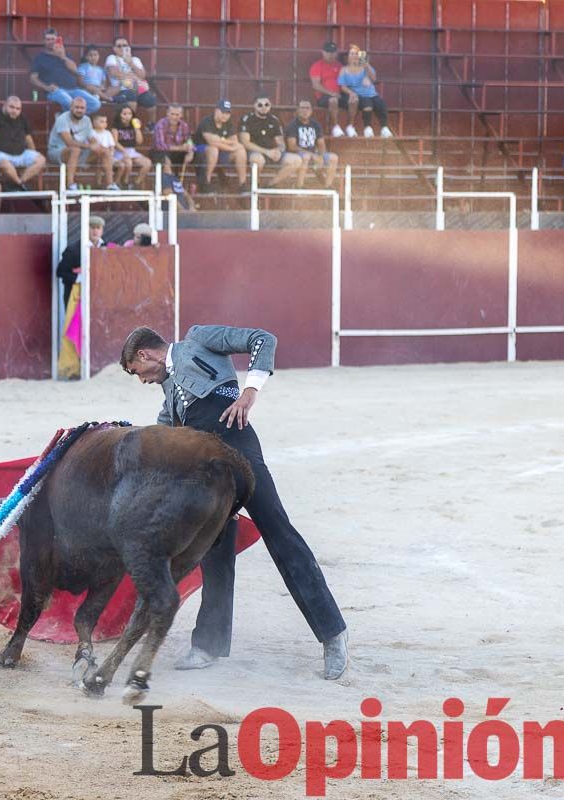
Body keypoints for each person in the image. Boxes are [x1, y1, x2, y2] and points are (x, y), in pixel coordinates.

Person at [119, 325, 349, 680]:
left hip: (237, 448)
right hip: (205, 469)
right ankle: (210, 643)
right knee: (213, 548)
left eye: (138, 372)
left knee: (279, 533)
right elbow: (164, 428)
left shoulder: (198, 340)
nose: (142, 380)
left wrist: (249, 393)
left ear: (144, 355)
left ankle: (333, 634)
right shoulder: (168, 387)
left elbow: (263, 339)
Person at [30, 28, 102, 113]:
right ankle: (74, 119)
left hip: (74, 89)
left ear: (57, 40)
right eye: (48, 39)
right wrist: (47, 88)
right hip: (56, 91)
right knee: (71, 103)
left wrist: (63, 57)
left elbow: (75, 71)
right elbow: (33, 78)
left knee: (96, 104)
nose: (50, 41)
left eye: (53, 39)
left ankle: (69, 117)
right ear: (44, 41)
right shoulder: (39, 58)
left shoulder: (65, 54)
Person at [240, 94, 304, 188]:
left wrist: (278, 151)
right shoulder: (247, 119)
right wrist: (267, 152)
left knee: (296, 160)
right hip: (255, 152)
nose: (264, 107)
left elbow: (281, 143)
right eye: (260, 105)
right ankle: (255, 186)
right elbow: (245, 143)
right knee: (258, 159)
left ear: (270, 105)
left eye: (266, 104)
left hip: (271, 152)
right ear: (254, 106)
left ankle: (271, 184)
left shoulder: (274, 120)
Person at [193, 99, 247, 192]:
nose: (225, 115)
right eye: (223, 112)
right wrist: (229, 145)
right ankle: (206, 183)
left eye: (228, 113)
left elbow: (234, 140)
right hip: (201, 152)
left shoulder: (228, 123)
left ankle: (243, 184)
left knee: (240, 151)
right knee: (213, 149)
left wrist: (221, 140)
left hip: (220, 154)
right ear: (216, 110)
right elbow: (212, 142)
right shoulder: (207, 121)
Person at [338, 44, 392, 138]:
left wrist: (366, 66)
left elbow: (373, 78)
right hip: (359, 95)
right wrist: (351, 93)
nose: (354, 56)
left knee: (381, 104)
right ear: (348, 57)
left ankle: (384, 128)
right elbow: (342, 86)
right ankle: (367, 128)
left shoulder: (366, 67)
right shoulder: (344, 70)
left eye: (356, 54)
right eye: (351, 54)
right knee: (367, 105)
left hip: (372, 94)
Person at [285, 99, 339, 189]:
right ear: (297, 110)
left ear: (311, 111)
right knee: (306, 156)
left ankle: (327, 186)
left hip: (314, 154)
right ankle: (299, 186)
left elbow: (321, 144)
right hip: (297, 154)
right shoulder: (292, 125)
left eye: (307, 108)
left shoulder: (316, 125)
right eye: (302, 108)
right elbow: (292, 147)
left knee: (334, 157)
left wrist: (321, 155)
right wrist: (312, 155)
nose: (305, 110)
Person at [46, 94, 95, 191]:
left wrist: (96, 146)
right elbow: (69, 143)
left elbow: (92, 140)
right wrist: (89, 146)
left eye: (82, 108)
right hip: (56, 151)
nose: (79, 110)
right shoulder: (63, 119)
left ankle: (110, 184)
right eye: (77, 107)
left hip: (78, 151)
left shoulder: (87, 120)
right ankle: (70, 184)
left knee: (103, 150)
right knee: (75, 150)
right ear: (71, 108)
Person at [105, 35, 156, 125]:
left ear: (128, 47)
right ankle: (131, 124)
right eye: (119, 46)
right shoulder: (112, 58)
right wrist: (132, 76)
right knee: (131, 94)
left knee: (150, 100)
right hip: (120, 89)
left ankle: (151, 124)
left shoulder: (135, 60)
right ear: (114, 48)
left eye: (125, 45)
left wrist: (130, 63)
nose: (122, 48)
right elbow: (115, 73)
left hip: (137, 88)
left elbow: (142, 75)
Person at [56, 213, 105, 304]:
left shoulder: (106, 248)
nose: (95, 231)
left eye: (98, 228)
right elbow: (61, 272)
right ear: (85, 229)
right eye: (92, 227)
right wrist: (80, 279)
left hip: (99, 296)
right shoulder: (73, 249)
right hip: (76, 295)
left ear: (102, 231)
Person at [152, 103, 194, 189]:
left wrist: (191, 152)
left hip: (177, 153)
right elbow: (160, 146)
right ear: (167, 114)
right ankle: (171, 186)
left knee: (198, 156)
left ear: (181, 115)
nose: (174, 117)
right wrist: (181, 148)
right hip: (159, 153)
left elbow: (189, 140)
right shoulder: (160, 124)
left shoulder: (184, 125)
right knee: (164, 159)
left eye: (177, 114)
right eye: (172, 114)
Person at [308, 41, 346, 138]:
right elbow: (315, 85)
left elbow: (345, 83)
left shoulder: (340, 66)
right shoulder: (317, 66)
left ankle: (351, 127)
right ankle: (335, 127)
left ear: (336, 53)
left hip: (339, 94)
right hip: (323, 97)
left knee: (354, 100)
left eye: (333, 52)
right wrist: (331, 93)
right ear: (323, 52)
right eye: (328, 52)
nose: (330, 54)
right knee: (333, 100)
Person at [112, 105, 150, 189]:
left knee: (147, 163)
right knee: (128, 162)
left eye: (129, 114)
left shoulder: (134, 126)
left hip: (131, 151)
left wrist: (137, 128)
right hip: (119, 151)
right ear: (119, 115)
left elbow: (139, 141)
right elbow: (115, 142)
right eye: (124, 114)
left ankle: (135, 184)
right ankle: (123, 182)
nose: (127, 116)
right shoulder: (116, 127)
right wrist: (124, 152)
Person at [86, 110, 120, 190]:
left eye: (105, 121)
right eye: (101, 121)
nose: (104, 123)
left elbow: (111, 146)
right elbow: (92, 145)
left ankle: (116, 183)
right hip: (94, 155)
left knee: (120, 164)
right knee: (100, 162)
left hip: (107, 155)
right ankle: (98, 183)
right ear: (94, 122)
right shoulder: (91, 132)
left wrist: (111, 154)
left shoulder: (107, 133)